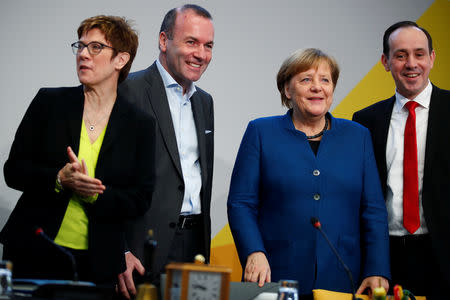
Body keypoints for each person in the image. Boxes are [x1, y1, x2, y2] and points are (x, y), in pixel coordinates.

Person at [0, 15, 155, 287]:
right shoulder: (49, 103)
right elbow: (13, 171)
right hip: (35, 249)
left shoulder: (139, 125)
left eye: (96, 48)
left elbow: (140, 199)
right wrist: (59, 179)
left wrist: (95, 196)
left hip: (97, 263)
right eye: (80, 46)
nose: (83, 54)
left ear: (121, 60)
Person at [227, 48, 390, 296]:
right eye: (306, 79)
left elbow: (374, 210)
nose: (317, 87)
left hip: (343, 276)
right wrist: (253, 251)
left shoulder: (358, 136)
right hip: (274, 272)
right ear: (287, 90)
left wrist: (377, 268)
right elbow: (241, 203)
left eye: (325, 80)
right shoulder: (261, 132)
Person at [118, 4, 214, 299]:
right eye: (191, 42)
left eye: (208, 45)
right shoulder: (127, 91)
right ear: (163, 41)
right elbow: (105, 179)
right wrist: (118, 248)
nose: (201, 53)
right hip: (141, 248)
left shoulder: (205, 102)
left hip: (194, 245)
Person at [352, 21, 450, 298]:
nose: (411, 63)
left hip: (442, 256)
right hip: (386, 259)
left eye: (419, 54)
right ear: (385, 61)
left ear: (432, 58)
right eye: (400, 55)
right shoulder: (365, 120)